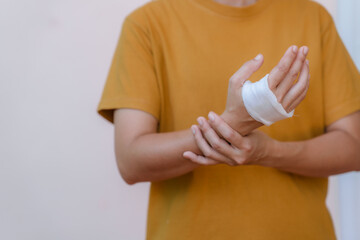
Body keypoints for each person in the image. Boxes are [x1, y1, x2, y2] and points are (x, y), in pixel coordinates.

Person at [97, 0, 360, 239]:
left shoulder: (314, 18)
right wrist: (235, 123)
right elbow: (131, 161)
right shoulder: (146, 24)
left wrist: (269, 152)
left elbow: (353, 148)